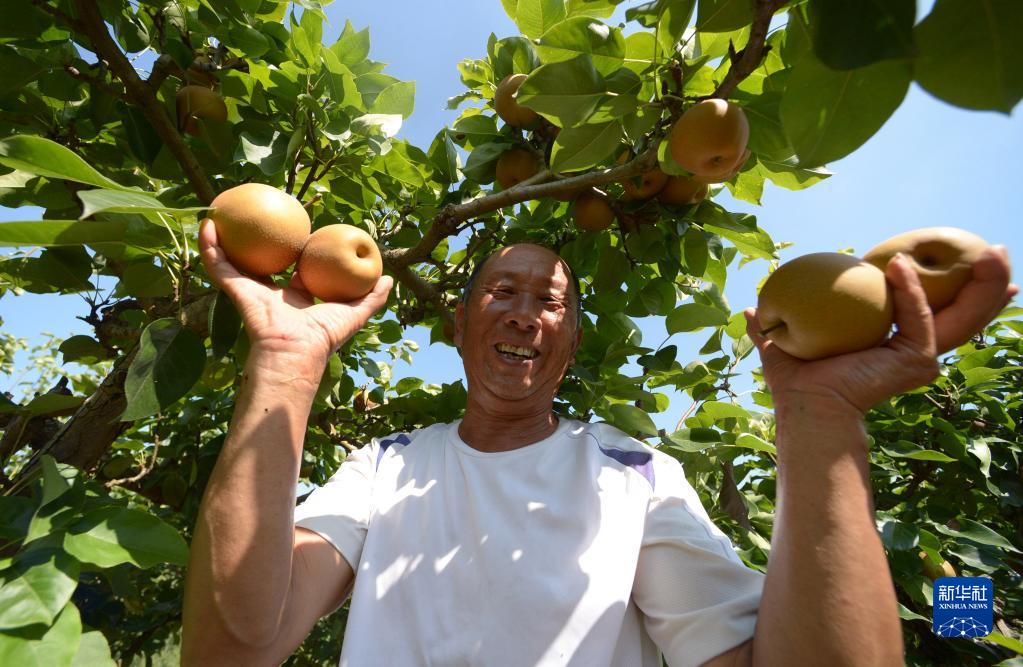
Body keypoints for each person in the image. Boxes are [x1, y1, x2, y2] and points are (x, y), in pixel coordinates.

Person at [182, 218, 1016, 666]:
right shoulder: (384, 465)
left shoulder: (633, 474)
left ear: (571, 341)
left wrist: (821, 415)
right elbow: (229, 651)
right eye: (501, 292)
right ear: (459, 325)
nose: (524, 314)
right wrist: (285, 362)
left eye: (549, 301)